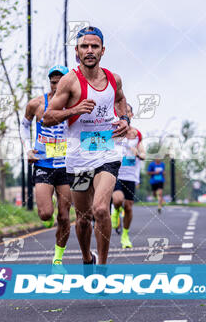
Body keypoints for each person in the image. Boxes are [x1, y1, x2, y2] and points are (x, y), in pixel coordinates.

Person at [43, 26, 129, 265]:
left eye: (94, 46)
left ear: (103, 50)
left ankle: (102, 267)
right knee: (83, 217)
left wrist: (124, 120)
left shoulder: (114, 79)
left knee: (101, 209)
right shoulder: (70, 81)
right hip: (79, 158)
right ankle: (86, 257)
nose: (89, 51)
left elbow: (121, 100)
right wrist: (74, 110)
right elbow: (48, 117)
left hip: (107, 153)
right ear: (77, 51)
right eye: (84, 46)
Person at [20, 65, 72, 266]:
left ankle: (57, 259)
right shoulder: (37, 104)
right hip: (43, 162)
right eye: (53, 81)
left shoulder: (74, 104)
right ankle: (48, 217)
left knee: (64, 216)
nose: (56, 85)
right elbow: (24, 126)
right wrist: (27, 149)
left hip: (66, 165)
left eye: (61, 81)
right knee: (45, 214)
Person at [111, 103, 145, 248]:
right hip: (116, 173)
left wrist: (138, 153)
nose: (125, 114)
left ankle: (125, 236)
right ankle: (116, 210)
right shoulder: (113, 132)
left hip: (131, 176)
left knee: (129, 207)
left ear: (131, 115)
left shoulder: (137, 135)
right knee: (118, 199)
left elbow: (143, 154)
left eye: (128, 112)